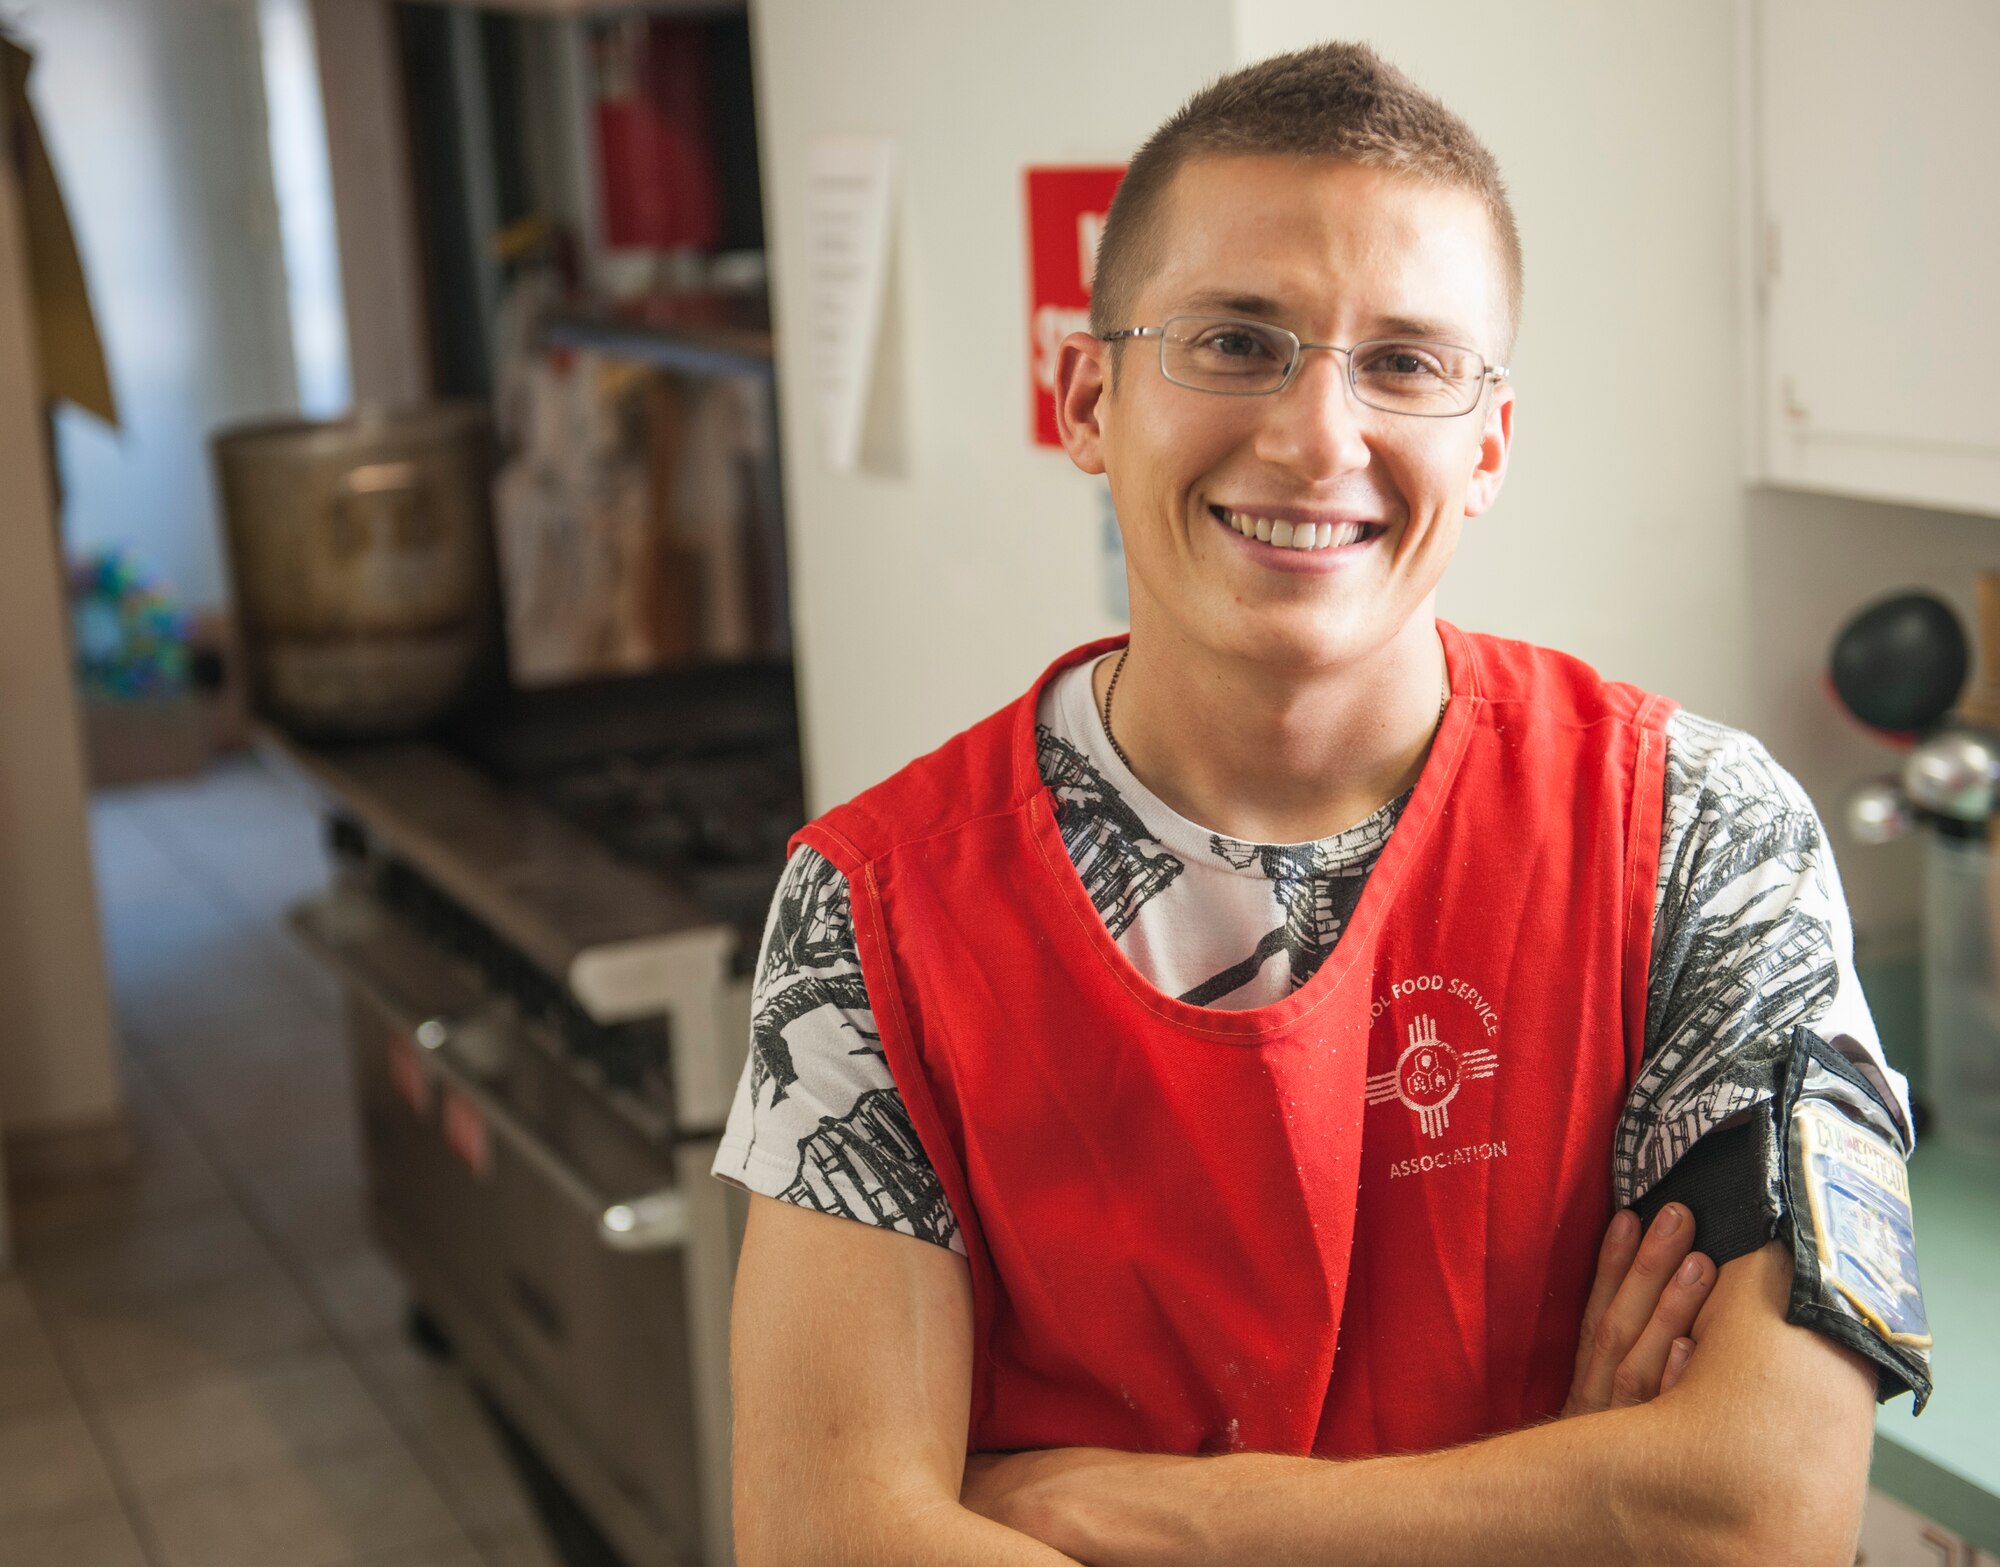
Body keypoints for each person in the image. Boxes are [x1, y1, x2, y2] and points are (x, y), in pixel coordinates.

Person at [715, 40, 1931, 1567]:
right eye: (1235, 340)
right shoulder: (881, 910)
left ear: (1486, 444)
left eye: (1407, 362)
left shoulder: (1693, 835)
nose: (1316, 437)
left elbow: (1761, 1512)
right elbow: (832, 1545)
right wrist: (1552, 1501)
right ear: (1087, 395)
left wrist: (1141, 1509)